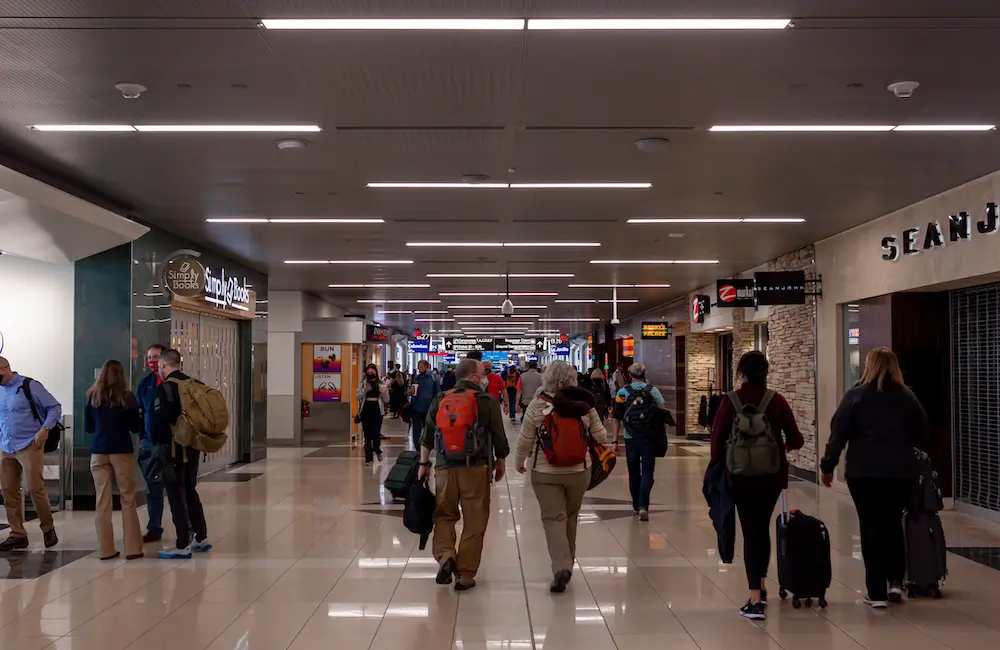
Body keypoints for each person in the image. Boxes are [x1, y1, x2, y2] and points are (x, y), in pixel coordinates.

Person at [820, 347, 929, 608]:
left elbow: (839, 434)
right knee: (893, 524)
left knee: (870, 526)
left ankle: (876, 591)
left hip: (863, 473)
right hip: (899, 473)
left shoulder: (855, 396)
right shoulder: (907, 397)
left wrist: (828, 466)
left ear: (868, 366)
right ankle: (895, 583)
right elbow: (923, 431)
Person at [710, 351, 803, 620]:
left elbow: (716, 442)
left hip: (739, 478)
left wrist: (724, 463)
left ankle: (755, 598)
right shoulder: (776, 401)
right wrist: (782, 446)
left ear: (741, 372)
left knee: (751, 532)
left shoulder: (731, 401)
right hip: (771, 478)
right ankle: (761, 585)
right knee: (761, 529)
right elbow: (796, 439)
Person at [515, 361, 608, 593]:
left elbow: (525, 439)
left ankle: (561, 566)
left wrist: (519, 462)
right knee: (570, 516)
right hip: (579, 470)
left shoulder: (537, 405)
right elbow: (602, 437)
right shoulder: (584, 405)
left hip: (544, 471)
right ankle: (568, 562)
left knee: (553, 518)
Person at [418, 358, 509, 591]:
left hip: (444, 469)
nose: (485, 376)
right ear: (473, 377)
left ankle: (446, 555)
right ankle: (465, 574)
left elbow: (427, 435)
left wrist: (423, 464)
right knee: (475, 520)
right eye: (482, 373)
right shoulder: (486, 401)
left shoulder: (440, 399)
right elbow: (499, 437)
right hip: (476, 469)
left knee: (444, 515)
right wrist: (500, 461)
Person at [152, 349, 211, 559]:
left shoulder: (166, 388)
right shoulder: (195, 385)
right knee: (189, 489)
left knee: (176, 493)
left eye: (159, 365)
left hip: (174, 448)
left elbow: (160, 420)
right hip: (193, 447)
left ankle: (181, 543)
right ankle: (201, 537)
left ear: (164, 365)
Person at [86, 360, 144, 561]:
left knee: (102, 500)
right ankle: (133, 548)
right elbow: (136, 427)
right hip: (121, 450)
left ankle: (106, 550)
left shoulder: (92, 396)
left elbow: (89, 427)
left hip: (98, 451)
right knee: (127, 497)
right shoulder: (127, 397)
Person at [0, 356, 60, 551]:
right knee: (9, 491)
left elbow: (54, 407)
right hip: (6, 446)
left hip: (30, 444)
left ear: (4, 369)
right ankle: (17, 533)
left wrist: (45, 429)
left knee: (35, 488)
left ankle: (48, 527)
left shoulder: (29, 385)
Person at [612, 363, 666, 522]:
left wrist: (615, 440)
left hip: (631, 439)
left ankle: (636, 504)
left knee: (634, 472)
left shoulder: (622, 392)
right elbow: (663, 412)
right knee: (648, 472)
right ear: (644, 374)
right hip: (649, 438)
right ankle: (644, 505)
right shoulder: (653, 391)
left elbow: (616, 418)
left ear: (629, 375)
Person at [136, 343, 167, 543]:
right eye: (148, 358)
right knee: (153, 489)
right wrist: (141, 435)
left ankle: (189, 528)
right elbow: (138, 410)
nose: (151, 361)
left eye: (155, 357)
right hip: (149, 444)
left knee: (178, 488)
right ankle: (154, 527)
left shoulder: (174, 382)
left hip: (170, 443)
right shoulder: (145, 383)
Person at [356, 364, 390, 465]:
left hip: (377, 410)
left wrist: (383, 392)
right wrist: (364, 391)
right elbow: (357, 397)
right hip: (366, 410)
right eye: (369, 373)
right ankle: (368, 458)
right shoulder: (363, 383)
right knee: (367, 435)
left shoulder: (381, 383)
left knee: (376, 433)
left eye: (372, 372)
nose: (371, 374)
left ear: (376, 372)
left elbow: (387, 399)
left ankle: (377, 449)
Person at [409, 360, 440, 451]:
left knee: (429, 430)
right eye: (418, 367)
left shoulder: (433, 378)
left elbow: (438, 392)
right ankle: (418, 450)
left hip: (428, 408)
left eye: (421, 367)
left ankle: (427, 447)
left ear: (427, 367)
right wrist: (410, 392)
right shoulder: (416, 378)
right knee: (416, 430)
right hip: (416, 407)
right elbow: (412, 391)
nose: (419, 369)